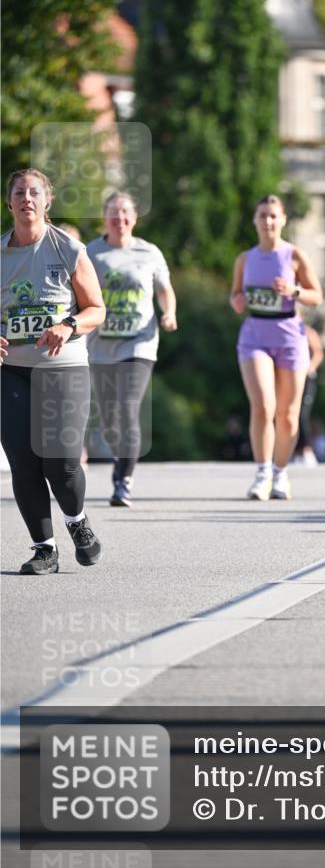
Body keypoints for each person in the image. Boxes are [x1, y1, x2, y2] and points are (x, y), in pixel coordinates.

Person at [1, 169, 105, 575]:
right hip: (12, 371)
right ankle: (45, 548)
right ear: (8, 202)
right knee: (23, 460)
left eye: (34, 193)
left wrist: (68, 325)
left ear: (47, 202)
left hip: (64, 369)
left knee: (59, 464)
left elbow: (96, 308)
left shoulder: (68, 249)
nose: (27, 198)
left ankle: (77, 521)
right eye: (19, 193)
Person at [87, 192, 177, 507]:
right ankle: (119, 456)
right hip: (100, 347)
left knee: (127, 408)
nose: (119, 219)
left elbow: (165, 290)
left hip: (139, 342)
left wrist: (169, 312)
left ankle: (123, 479)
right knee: (110, 420)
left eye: (125, 213)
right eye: (113, 213)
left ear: (135, 218)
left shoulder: (149, 252)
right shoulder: (91, 253)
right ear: (105, 218)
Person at [231, 194, 322, 500]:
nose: (268, 221)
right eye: (262, 216)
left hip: (290, 336)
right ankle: (262, 473)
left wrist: (294, 290)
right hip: (255, 334)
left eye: (273, 216)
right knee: (264, 406)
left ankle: (281, 473)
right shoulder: (245, 259)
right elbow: (235, 296)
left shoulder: (294, 255)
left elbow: (317, 296)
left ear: (282, 220)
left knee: (287, 413)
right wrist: (238, 301)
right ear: (255, 221)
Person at [293, 324, 324, 466]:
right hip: (291, 376)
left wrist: (309, 367)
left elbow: (318, 352)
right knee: (289, 413)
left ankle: (306, 449)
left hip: (305, 377)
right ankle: (293, 450)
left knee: (302, 414)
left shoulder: (307, 331)